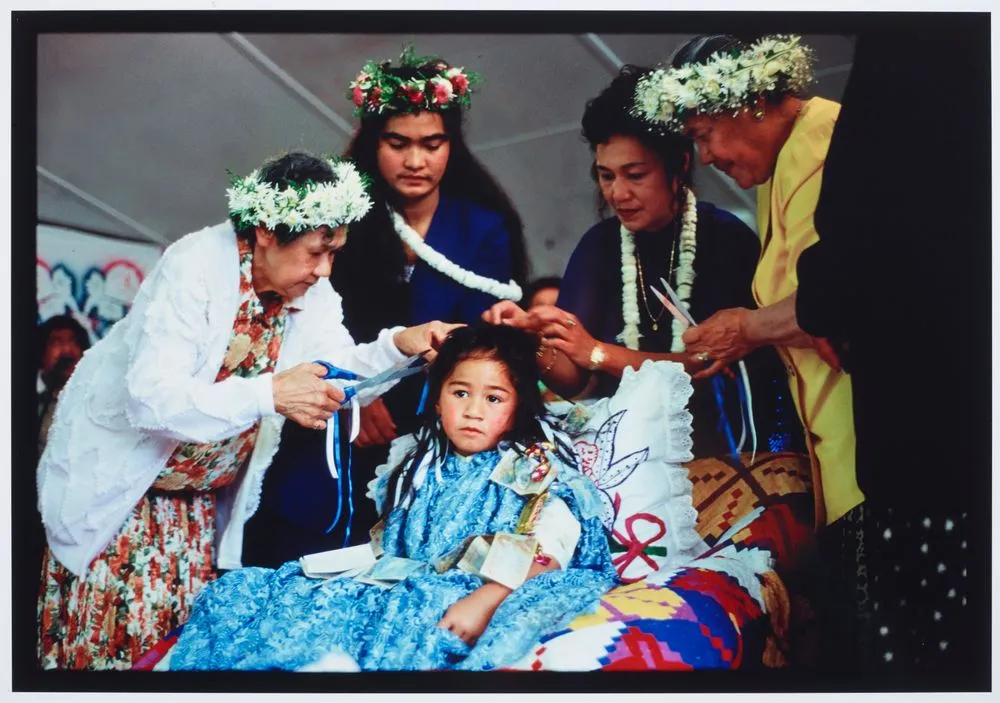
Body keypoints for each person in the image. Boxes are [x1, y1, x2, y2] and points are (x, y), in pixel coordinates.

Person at [36, 151, 457, 670]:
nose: (324, 270)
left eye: (334, 254)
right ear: (264, 232)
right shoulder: (196, 265)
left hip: (194, 513)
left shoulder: (309, 289)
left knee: (178, 655)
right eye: (315, 252)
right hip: (124, 503)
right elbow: (152, 399)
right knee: (113, 656)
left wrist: (400, 346)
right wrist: (270, 395)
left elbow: (334, 373)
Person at [167, 324, 618, 671]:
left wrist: (488, 597)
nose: (474, 410)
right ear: (438, 400)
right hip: (405, 577)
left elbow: (548, 546)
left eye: (494, 398)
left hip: (484, 585)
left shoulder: (530, 466)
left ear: (519, 405)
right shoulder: (422, 459)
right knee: (251, 593)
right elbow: (397, 546)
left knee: (416, 619)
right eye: (460, 392)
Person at [243, 47, 530, 569]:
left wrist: (398, 405)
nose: (415, 161)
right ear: (373, 143)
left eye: (432, 143)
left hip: (432, 431)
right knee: (303, 552)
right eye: (398, 143)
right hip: (326, 421)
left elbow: (484, 341)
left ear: (452, 146)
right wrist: (354, 399)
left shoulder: (486, 227)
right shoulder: (339, 216)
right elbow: (299, 319)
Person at [795, 28, 989, 682]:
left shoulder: (906, 61)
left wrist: (823, 301)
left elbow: (861, 227)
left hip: (930, 437)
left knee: (929, 650)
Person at [485, 65, 801, 460]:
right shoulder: (598, 246)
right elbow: (575, 379)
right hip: (630, 459)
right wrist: (534, 341)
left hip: (729, 452)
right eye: (605, 176)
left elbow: (706, 367)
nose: (618, 193)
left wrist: (600, 352)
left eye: (635, 174)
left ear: (679, 164)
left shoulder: (725, 238)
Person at [629, 35, 862, 534]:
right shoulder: (778, 164)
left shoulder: (824, 140)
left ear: (754, 104)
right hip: (838, 444)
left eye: (705, 134)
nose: (707, 156)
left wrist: (748, 327)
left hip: (867, 432)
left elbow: (836, 294)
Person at [36, 314, 91, 455]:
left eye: (74, 342)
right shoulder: (31, 406)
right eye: (56, 342)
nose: (67, 350)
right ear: (41, 355)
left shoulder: (95, 402)